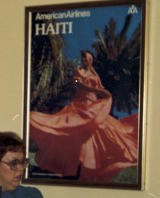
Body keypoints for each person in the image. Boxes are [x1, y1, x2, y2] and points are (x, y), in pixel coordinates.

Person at [28, 49, 139, 181]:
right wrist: (96, 90)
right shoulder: (78, 71)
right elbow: (77, 83)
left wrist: (105, 94)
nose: (86, 61)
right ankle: (75, 168)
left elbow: (101, 89)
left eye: (88, 58)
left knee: (98, 133)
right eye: (85, 58)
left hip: (93, 107)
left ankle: (85, 167)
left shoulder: (94, 74)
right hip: (80, 106)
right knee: (73, 130)